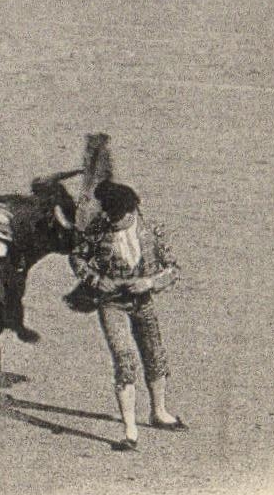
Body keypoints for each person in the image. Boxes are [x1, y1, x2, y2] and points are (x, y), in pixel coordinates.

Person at [66, 179, 185, 448]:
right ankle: (130, 430)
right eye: (109, 215)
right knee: (124, 358)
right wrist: (95, 281)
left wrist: (149, 282)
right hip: (112, 302)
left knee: (154, 354)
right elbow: (77, 257)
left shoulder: (151, 229)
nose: (111, 221)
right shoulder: (100, 227)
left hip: (142, 299)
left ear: (131, 213)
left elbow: (173, 268)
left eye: (116, 217)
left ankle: (159, 412)